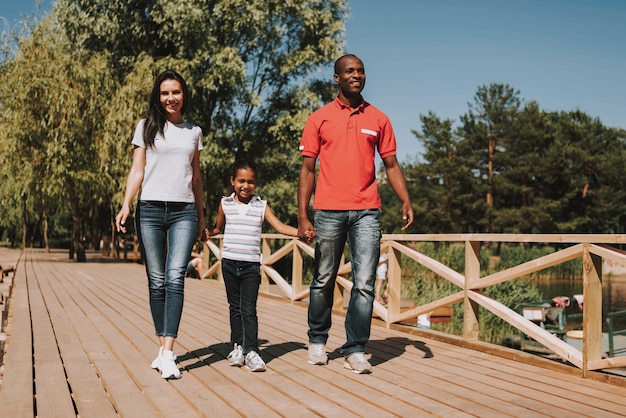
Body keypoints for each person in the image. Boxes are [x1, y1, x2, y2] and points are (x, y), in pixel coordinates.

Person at [297, 54, 414, 374]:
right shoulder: (319, 118)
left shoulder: (379, 118)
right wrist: (302, 216)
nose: (357, 75)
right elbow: (307, 169)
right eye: (349, 71)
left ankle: (356, 347)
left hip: (367, 211)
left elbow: (391, 165)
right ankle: (318, 341)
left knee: (364, 282)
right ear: (337, 78)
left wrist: (405, 199)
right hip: (328, 211)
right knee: (323, 279)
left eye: (361, 71)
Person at [115, 69, 208, 380]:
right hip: (150, 210)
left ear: (184, 95)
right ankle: (162, 348)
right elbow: (137, 171)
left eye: (176, 92)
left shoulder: (194, 131)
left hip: (184, 211)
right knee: (156, 281)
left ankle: (168, 351)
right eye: (165, 92)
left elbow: (196, 177)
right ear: (158, 96)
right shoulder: (146, 127)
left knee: (174, 278)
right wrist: (127, 203)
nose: (171, 97)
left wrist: (202, 216)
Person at [210, 160, 300, 372]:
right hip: (229, 263)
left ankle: (252, 351)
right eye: (241, 181)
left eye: (250, 182)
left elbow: (279, 226)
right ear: (232, 181)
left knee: (248, 309)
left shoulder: (261, 205)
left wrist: (301, 232)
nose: (245, 186)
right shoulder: (225, 203)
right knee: (235, 308)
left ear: (255, 184)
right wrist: (206, 232)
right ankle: (237, 347)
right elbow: (217, 227)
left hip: (251, 266)